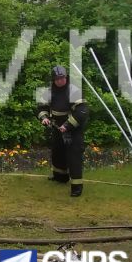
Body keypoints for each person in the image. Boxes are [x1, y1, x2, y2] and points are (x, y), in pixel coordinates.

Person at [37, 65, 88, 197]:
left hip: (73, 129)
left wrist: (67, 125)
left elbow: (82, 112)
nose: (60, 81)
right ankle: (60, 177)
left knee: (74, 157)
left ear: (66, 77)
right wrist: (44, 118)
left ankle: (76, 187)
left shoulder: (74, 91)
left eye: (62, 78)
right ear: (53, 80)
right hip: (57, 128)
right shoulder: (49, 91)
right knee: (57, 153)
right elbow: (41, 107)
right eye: (57, 79)